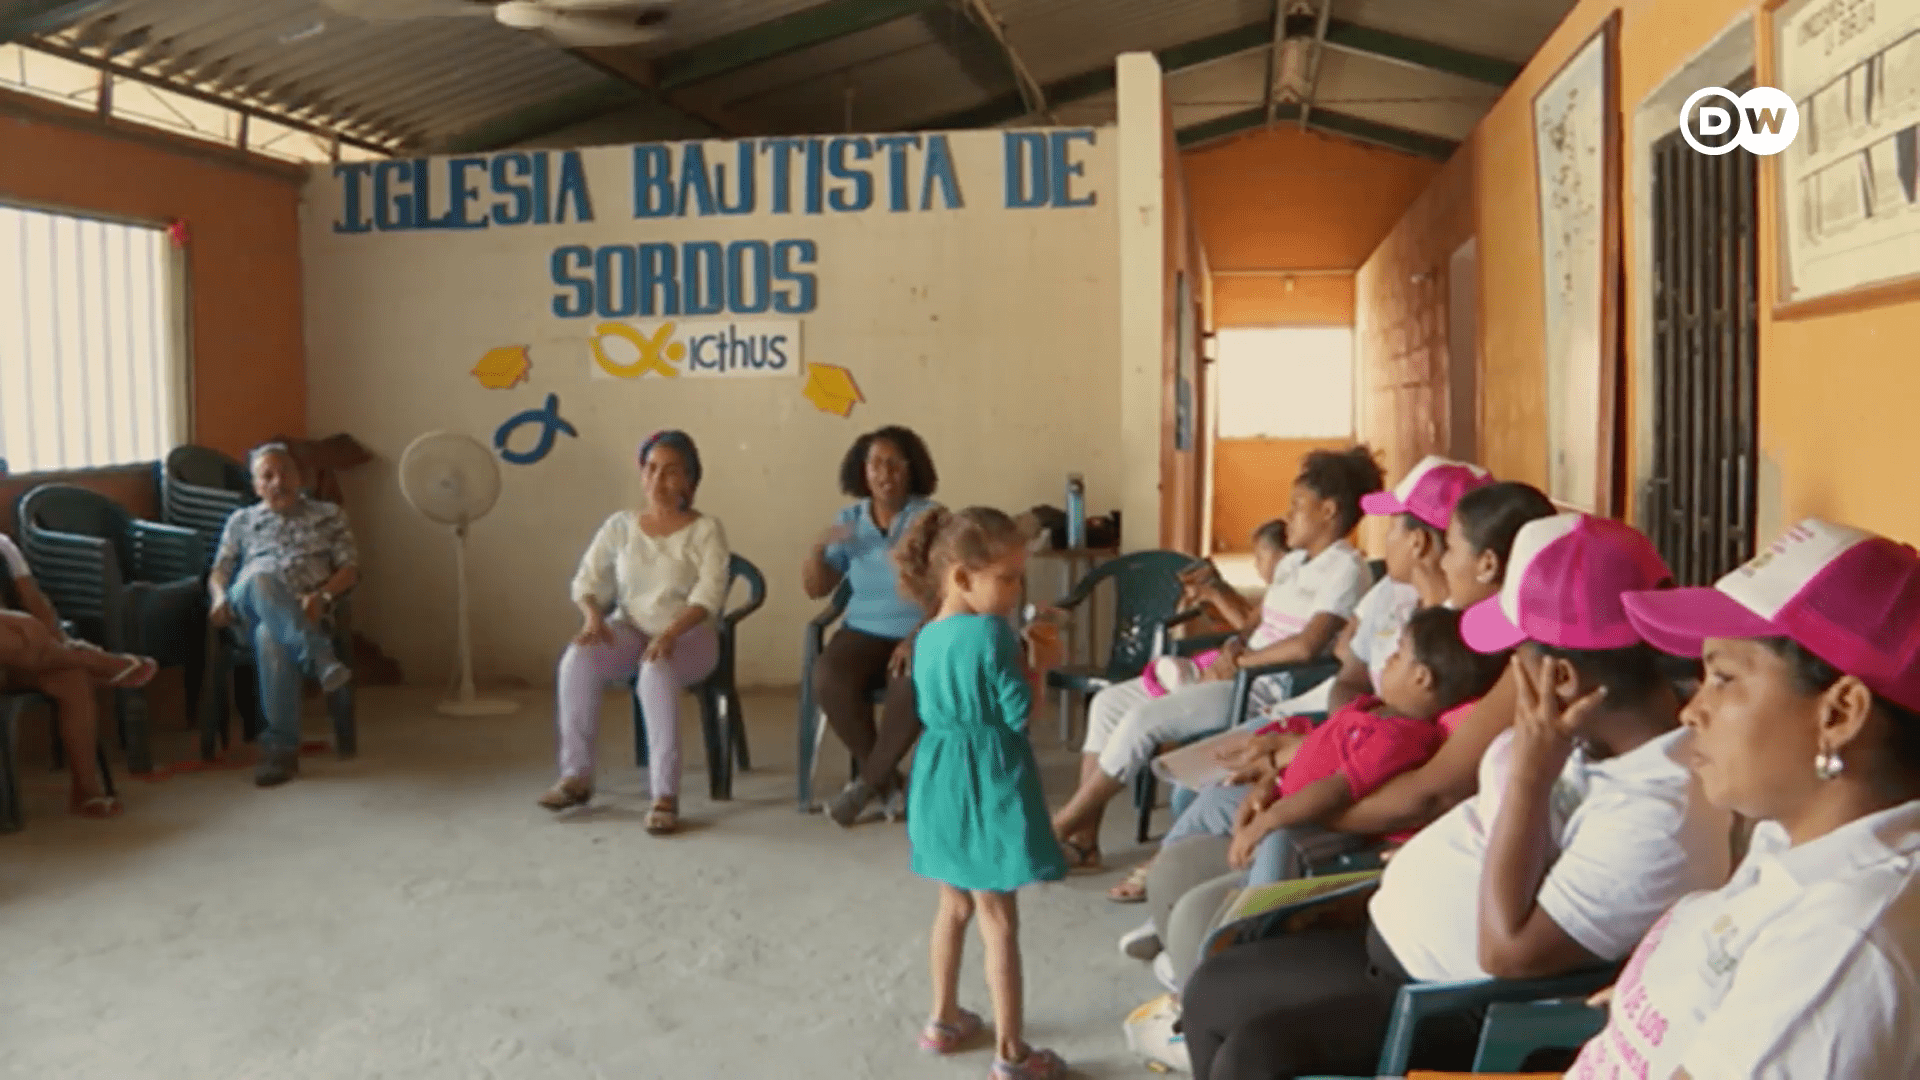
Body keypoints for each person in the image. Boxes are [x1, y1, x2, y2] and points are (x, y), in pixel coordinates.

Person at [1178, 513, 1733, 1080]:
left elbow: (1508, 955)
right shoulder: (1577, 732)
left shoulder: (1658, 812)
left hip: (1452, 1003)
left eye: (1518, 654)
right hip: (1393, 947)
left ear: (1560, 675)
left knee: (1253, 1055)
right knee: (1210, 993)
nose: (1510, 667)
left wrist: (1530, 778)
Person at [1137, 481, 1560, 983]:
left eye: (1454, 547)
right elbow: (1359, 694)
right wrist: (1293, 779)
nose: (1445, 562)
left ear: (1488, 564)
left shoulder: (1506, 659)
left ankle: (1242, 963)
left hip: (1398, 842)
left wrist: (1297, 805)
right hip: (1353, 792)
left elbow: (1431, 793)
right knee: (1202, 843)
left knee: (1217, 914)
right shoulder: (1459, 629)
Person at [1549, 519, 1920, 1078]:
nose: (1691, 712)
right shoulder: (1793, 836)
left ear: (1840, 714)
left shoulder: (1842, 946)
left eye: (1722, 679)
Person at [1106, 457, 1491, 905]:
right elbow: (1347, 680)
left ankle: (1234, 918)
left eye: (1393, 529)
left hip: (1366, 761)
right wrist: (1327, 742)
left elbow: (1420, 771)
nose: (1384, 540)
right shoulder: (1389, 595)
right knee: (1201, 788)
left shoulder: (1460, 638)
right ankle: (1180, 901)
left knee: (1265, 824)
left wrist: (1311, 769)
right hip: (1341, 731)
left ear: (1421, 542)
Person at [1051, 446, 1385, 869]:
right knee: (1107, 703)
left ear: (1329, 511)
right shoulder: (1293, 563)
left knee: (1143, 720)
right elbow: (1252, 623)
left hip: (1263, 689)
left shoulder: (1345, 569)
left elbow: (1306, 647)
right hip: (1233, 674)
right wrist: (1230, 644)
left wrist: (1241, 664)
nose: (1286, 515)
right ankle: (1085, 841)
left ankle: (1063, 824)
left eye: (1297, 506)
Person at [895, 505, 1069, 1080]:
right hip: (987, 779)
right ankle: (1012, 1053)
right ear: (963, 578)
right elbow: (1020, 716)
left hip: (939, 773)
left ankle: (942, 1019)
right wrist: (1040, 662)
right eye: (1008, 578)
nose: (1017, 590)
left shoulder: (926, 636)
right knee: (999, 917)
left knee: (953, 905)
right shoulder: (993, 635)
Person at [1224, 606, 1507, 878]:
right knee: (1213, 811)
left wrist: (1269, 819)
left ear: (1422, 677)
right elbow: (1314, 757)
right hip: (1292, 806)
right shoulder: (1369, 708)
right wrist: (1271, 786)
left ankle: (1254, 923)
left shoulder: (1400, 737)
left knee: (1279, 844)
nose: (1387, 660)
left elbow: (1337, 788)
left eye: (1398, 654)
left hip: (1331, 832)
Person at [539, 431, 729, 835]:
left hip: (690, 636)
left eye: (671, 471)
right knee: (579, 658)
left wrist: (670, 635)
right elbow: (587, 580)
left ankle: (664, 795)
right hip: (631, 630)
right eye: (651, 468)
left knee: (656, 671)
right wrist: (593, 618)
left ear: (690, 480)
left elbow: (709, 594)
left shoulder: (706, 529)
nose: (658, 480)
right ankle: (576, 776)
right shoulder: (620, 526)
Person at [801, 425, 940, 826]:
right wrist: (817, 548)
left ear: (912, 470)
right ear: (862, 472)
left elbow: (949, 588)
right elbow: (816, 588)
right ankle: (886, 782)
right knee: (828, 677)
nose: (885, 473)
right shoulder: (849, 520)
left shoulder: (931, 517)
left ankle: (864, 786)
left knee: (911, 684)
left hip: (919, 629)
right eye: (876, 464)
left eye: (895, 464)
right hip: (862, 630)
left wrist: (916, 638)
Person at [207, 442, 358, 788]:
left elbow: (349, 570)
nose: (278, 482)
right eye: (267, 476)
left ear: (300, 477)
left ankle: (281, 750)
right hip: (247, 606)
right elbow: (220, 570)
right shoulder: (241, 520)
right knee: (261, 577)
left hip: (305, 610)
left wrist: (322, 595)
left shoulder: (329, 515)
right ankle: (319, 658)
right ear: (256, 486)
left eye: (285, 473)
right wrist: (217, 598)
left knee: (271, 637)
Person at [0, 532, 156, 817]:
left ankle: (85, 791)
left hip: (15, 660)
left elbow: (36, 602)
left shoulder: (2, 546)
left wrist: (58, 639)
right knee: (24, 628)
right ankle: (99, 662)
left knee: (71, 679)